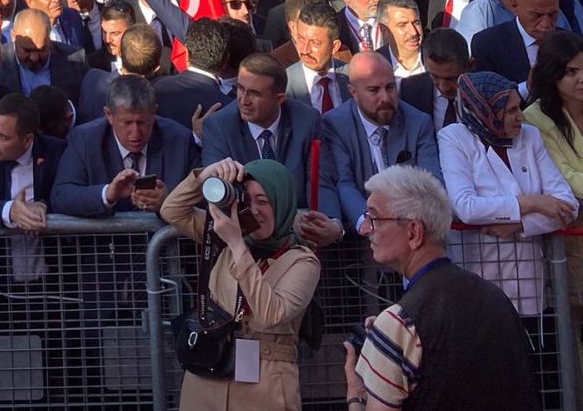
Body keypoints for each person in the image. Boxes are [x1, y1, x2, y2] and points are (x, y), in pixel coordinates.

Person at [348, 164, 546, 411]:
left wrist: (355, 392)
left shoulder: (399, 322)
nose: (366, 229)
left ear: (414, 232)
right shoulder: (496, 299)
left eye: (374, 217)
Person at [161, 156, 321, 411]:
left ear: (281, 203)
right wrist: (202, 176)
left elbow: (272, 313)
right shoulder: (223, 235)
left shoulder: (303, 261)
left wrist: (237, 244)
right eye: (247, 199)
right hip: (210, 370)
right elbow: (172, 211)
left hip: (265, 383)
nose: (254, 210)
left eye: (263, 201)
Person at [438, 69, 576, 315]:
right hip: (480, 277)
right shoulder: (454, 137)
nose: (521, 117)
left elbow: (567, 204)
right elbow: (466, 207)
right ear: (486, 111)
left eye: (518, 107)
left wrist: (520, 226)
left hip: (528, 278)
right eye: (511, 110)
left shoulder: (530, 136)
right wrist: (531, 203)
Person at [199, 55, 337, 235]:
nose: (243, 100)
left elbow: (322, 182)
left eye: (254, 93)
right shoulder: (218, 126)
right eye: (240, 89)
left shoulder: (307, 121)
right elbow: (217, 191)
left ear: (279, 99)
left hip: (301, 237)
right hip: (247, 236)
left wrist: (330, 223)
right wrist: (285, 219)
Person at [320, 52, 442, 231]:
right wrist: (367, 222)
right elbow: (343, 182)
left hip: (411, 227)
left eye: (390, 87)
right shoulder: (335, 125)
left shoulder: (419, 123)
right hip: (361, 236)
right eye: (374, 90)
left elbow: (432, 182)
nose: (385, 97)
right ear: (353, 92)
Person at [50, 74, 195, 217]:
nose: (136, 133)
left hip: (164, 239)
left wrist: (169, 202)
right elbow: (61, 197)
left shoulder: (179, 140)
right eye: (127, 123)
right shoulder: (85, 140)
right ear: (109, 115)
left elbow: (205, 199)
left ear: (154, 113)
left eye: (142, 122)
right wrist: (107, 194)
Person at [524, 29, 583, 366]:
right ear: (552, 72)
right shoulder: (536, 119)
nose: (581, 79)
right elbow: (566, 180)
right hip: (567, 249)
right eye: (571, 72)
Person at [0, 92, 66, 227]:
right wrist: (9, 211)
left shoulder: (56, 152)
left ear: (27, 140)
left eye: (2, 137)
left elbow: (65, 197)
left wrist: (43, 205)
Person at [470, 0, 561, 87]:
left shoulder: (571, 44)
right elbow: (487, 98)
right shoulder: (488, 44)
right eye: (537, 15)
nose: (546, 24)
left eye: (552, 15)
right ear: (514, 6)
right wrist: (527, 88)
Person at [0, 6, 87, 105]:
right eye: (27, 50)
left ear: (49, 37)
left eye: (41, 50)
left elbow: (85, 107)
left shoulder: (75, 59)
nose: (34, 57)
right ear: (13, 36)